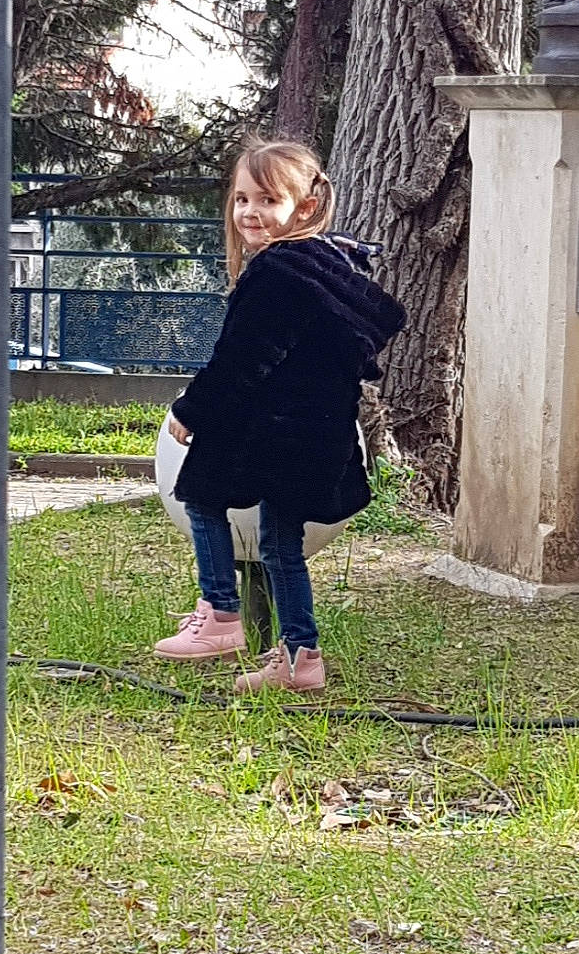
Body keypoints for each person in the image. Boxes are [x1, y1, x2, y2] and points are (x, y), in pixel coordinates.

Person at [154, 136, 405, 694]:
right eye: (242, 199)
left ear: (305, 207)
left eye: (267, 200)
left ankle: (221, 615)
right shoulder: (325, 265)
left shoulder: (277, 272)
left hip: (280, 429)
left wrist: (192, 410)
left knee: (201, 496)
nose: (250, 212)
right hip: (317, 429)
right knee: (279, 548)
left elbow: (244, 357)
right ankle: (299, 660)